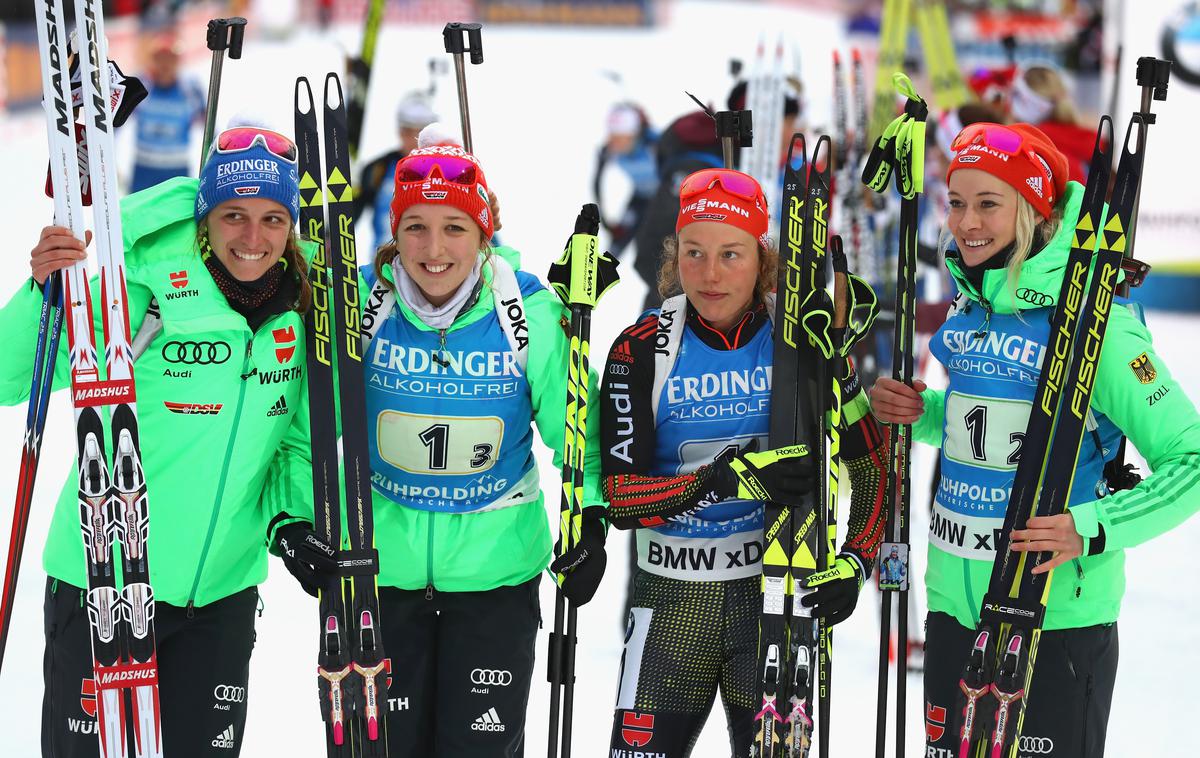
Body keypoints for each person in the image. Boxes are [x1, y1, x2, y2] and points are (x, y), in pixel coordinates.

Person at [869, 122, 1200, 757]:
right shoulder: (974, 302)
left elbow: (1189, 459)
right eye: (958, 201)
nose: (967, 222)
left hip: (1056, 616)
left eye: (989, 203)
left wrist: (1091, 524)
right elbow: (995, 427)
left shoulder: (1097, 322)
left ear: (1034, 207)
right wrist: (923, 411)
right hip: (952, 604)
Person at [270, 144, 608, 757]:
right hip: (377, 580)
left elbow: (578, 434)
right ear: (393, 231)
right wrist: (295, 520)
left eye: (455, 228)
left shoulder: (526, 312)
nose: (434, 250)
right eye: (415, 229)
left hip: (494, 585)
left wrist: (592, 522)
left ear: (483, 234)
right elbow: (305, 432)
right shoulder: (357, 307)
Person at [3, 127, 312, 756]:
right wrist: (45, 293)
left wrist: (294, 521)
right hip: (105, 583)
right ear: (205, 218)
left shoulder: (301, 313)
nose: (253, 239)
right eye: (234, 215)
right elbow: (11, 378)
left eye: (272, 218)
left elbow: (293, 445)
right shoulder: (140, 291)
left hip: (221, 599)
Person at [600, 168, 889, 756]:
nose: (710, 274)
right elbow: (620, 495)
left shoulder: (806, 338)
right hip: (673, 602)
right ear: (673, 256)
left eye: (731, 254)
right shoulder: (641, 349)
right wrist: (722, 480)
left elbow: (873, 465)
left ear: (763, 258)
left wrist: (856, 564)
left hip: (777, 599)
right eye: (694, 253)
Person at [352, 91, 438, 251]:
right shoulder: (378, 168)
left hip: (430, 264)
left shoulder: (449, 170)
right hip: (382, 269)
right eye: (407, 131)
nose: (414, 140)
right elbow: (352, 213)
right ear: (399, 130)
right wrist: (330, 240)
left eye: (419, 132)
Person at [129, 36, 206, 193]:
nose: (165, 64)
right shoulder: (141, 85)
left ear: (178, 61)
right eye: (160, 58)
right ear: (152, 60)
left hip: (176, 169)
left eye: (171, 58)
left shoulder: (190, 88)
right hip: (144, 167)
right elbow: (115, 123)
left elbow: (208, 126)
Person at [592, 102, 658, 258]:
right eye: (611, 137)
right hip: (640, 198)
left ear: (633, 134)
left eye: (619, 138)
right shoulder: (608, 151)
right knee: (616, 246)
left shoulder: (655, 145)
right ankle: (596, 279)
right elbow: (596, 184)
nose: (614, 143)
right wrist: (606, 221)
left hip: (665, 199)